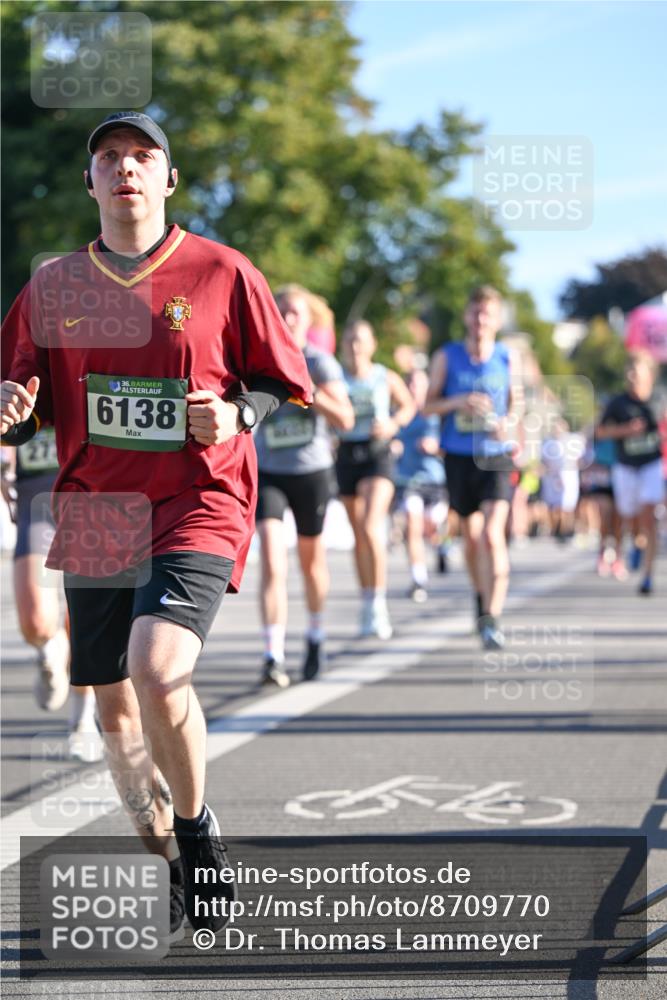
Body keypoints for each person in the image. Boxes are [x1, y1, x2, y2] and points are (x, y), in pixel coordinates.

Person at [0, 111, 311, 937]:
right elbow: (20, 403)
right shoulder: (54, 285)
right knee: (114, 717)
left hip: (196, 498)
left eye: (142, 156)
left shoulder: (221, 270)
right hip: (96, 510)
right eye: (109, 157)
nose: (125, 168)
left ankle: (198, 832)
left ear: (169, 179)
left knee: (157, 665)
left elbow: (278, 380)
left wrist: (238, 413)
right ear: (90, 181)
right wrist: (11, 414)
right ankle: (168, 863)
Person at [254, 284, 353, 686]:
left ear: (308, 320)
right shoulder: (258, 357)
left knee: (311, 564)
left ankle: (315, 634)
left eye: (295, 311)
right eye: (281, 311)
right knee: (272, 558)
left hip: (311, 471)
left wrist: (308, 391)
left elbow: (345, 418)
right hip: (269, 470)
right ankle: (272, 654)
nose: (288, 318)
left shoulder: (320, 362)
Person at [424, 286, 517, 650]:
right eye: (476, 313)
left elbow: (518, 404)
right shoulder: (446, 356)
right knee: (472, 537)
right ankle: (480, 597)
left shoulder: (508, 357)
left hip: (495, 454)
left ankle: (493, 616)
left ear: (497, 320)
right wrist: (458, 401)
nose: (480, 320)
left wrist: (508, 422)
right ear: (467, 317)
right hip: (459, 455)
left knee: (493, 534)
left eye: (487, 314)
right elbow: (427, 406)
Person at [336, 320, 415, 639]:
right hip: (346, 453)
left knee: (371, 525)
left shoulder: (385, 376)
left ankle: (380, 605)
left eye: (361, 340)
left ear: (372, 345)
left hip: (377, 453)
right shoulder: (336, 377)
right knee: (358, 534)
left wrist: (394, 424)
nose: (355, 346)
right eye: (350, 340)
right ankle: (367, 601)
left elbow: (408, 405)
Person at [596, 350, 664, 595]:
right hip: (625, 466)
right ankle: (637, 541)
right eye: (629, 370)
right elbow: (601, 432)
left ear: (649, 375)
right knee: (630, 516)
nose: (631, 375)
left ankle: (647, 577)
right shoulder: (618, 403)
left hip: (651, 465)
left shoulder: (659, 399)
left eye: (636, 370)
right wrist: (625, 430)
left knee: (649, 516)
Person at [392, 368, 447, 602]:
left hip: (436, 480)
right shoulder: (400, 413)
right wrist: (393, 444)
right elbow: (391, 434)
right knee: (413, 526)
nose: (415, 389)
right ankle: (418, 579)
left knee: (431, 527)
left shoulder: (437, 413)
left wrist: (436, 447)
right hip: (408, 479)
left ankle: (442, 546)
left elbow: (451, 444)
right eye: (411, 384)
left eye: (419, 384)